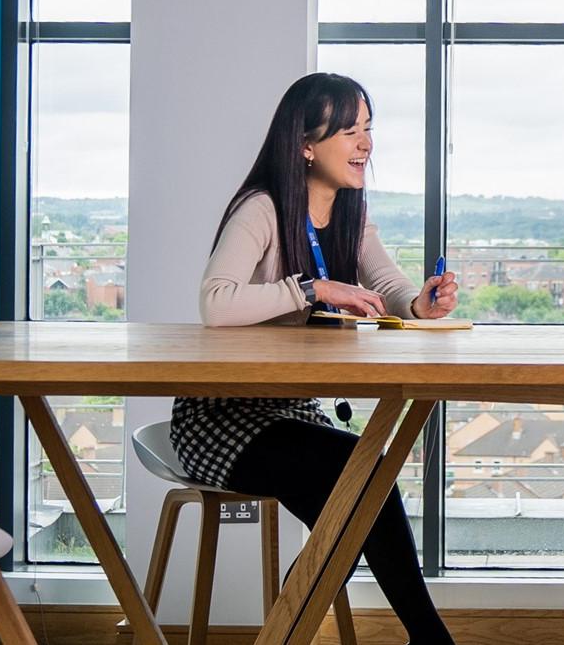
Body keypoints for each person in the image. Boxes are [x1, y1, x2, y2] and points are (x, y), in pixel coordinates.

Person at [172, 73, 460, 645]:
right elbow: (215, 301)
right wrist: (313, 290)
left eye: (368, 129)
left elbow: (389, 286)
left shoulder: (351, 212)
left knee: (356, 499)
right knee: (363, 485)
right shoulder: (262, 208)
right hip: (220, 420)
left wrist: (423, 303)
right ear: (306, 144)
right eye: (350, 131)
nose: (365, 144)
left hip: (291, 414)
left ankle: (291, 636)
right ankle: (430, 640)